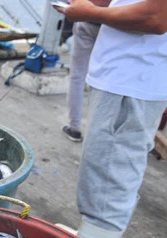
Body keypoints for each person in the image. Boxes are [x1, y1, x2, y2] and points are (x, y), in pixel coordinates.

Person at [54, 0, 167, 238]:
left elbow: (156, 17)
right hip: (127, 76)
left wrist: (87, 12)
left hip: (133, 79)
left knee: (109, 178)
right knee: (101, 169)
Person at [62, 0, 111, 142]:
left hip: (88, 21)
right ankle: (100, 134)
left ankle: (74, 127)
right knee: (107, 80)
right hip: (114, 26)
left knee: (77, 76)